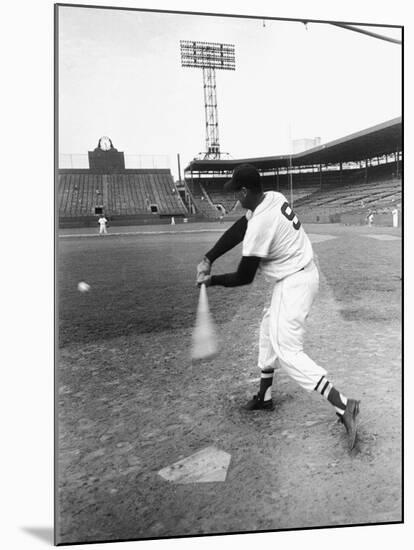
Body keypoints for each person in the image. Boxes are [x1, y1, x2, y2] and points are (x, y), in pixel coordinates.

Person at [196, 164, 360, 450]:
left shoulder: (262, 222)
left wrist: (210, 281)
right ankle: (265, 396)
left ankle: (343, 404)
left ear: (246, 191)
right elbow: (240, 227)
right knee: (266, 330)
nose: (236, 200)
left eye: (237, 194)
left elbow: (244, 277)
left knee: (288, 351)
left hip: (293, 283)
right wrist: (210, 256)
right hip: (298, 275)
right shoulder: (272, 197)